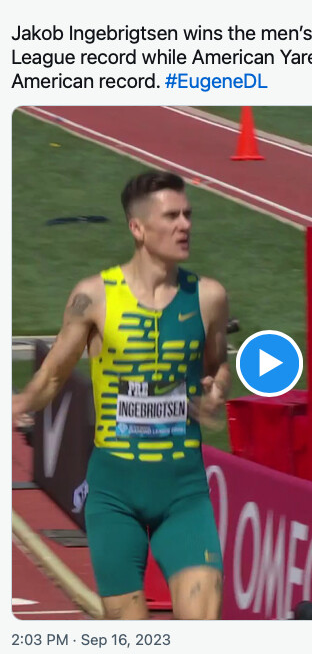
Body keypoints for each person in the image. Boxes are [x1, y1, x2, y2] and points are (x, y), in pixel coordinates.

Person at [12, 171, 230, 620]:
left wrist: (216, 391)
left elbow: (216, 365)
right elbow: (53, 376)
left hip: (184, 492)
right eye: (171, 216)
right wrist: (17, 405)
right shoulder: (92, 297)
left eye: (188, 214)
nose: (185, 225)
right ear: (137, 228)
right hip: (115, 493)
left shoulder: (208, 297)